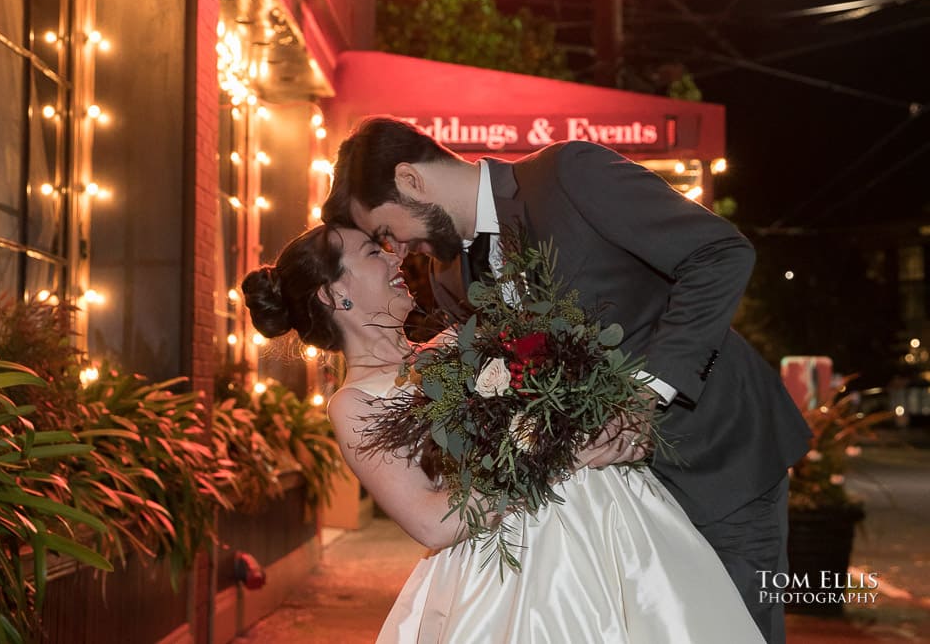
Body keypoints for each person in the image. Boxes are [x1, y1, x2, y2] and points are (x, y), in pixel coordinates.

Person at [320, 116, 813, 644]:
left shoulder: (568, 176)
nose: (397, 248)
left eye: (386, 231)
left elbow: (718, 254)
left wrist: (645, 394)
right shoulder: (448, 279)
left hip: (716, 462)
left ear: (410, 180)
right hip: (616, 514)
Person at [242, 224, 765, 643]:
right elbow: (431, 522)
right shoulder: (354, 404)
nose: (394, 259)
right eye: (371, 253)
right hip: (516, 573)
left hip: (619, 525)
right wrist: (559, 459)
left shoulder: (458, 342)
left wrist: (619, 428)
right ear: (335, 293)